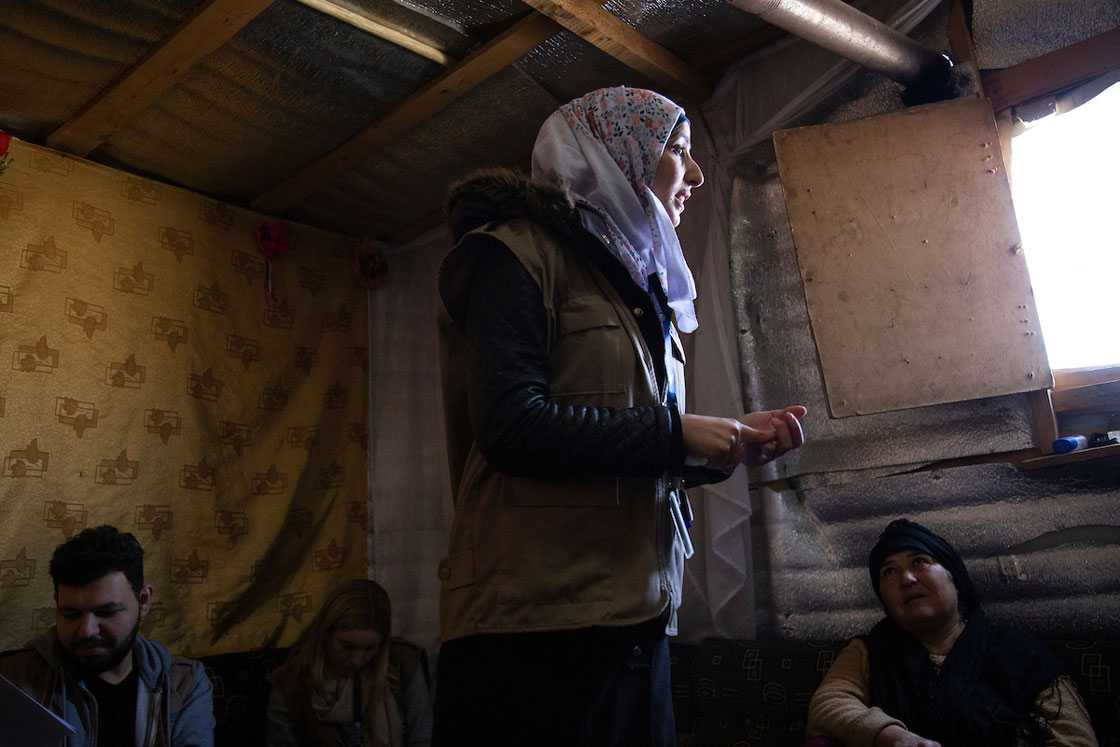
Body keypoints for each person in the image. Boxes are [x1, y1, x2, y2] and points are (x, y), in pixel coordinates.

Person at [433, 86, 807, 746]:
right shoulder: (514, 254)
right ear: (616, 152)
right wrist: (676, 432)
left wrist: (719, 446)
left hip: (636, 615)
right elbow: (511, 426)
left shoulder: (637, 286)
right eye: (678, 151)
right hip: (534, 626)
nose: (694, 173)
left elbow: (616, 450)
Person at [805, 519, 1098, 747]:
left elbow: (1075, 739)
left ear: (954, 579)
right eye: (889, 572)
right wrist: (890, 736)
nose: (906, 578)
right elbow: (828, 705)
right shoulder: (869, 652)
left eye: (919, 561)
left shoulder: (1020, 652)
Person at [0, 525, 215, 746]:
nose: (86, 630)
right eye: (70, 614)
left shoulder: (184, 685)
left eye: (106, 612)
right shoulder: (13, 679)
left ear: (143, 602)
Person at [266, 579, 432, 747]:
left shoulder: (402, 664)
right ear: (326, 632)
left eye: (370, 648)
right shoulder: (292, 684)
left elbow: (422, 739)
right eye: (347, 647)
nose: (358, 661)